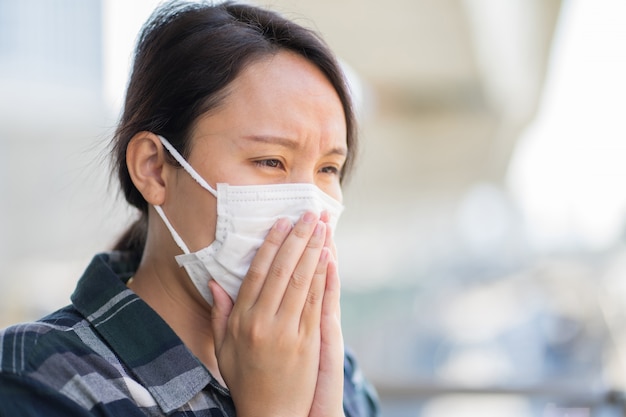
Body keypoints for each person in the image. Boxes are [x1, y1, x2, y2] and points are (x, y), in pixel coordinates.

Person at [0, 1, 380, 416]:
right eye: (270, 161)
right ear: (155, 169)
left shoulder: (334, 371)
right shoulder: (38, 376)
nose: (308, 210)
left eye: (329, 168)